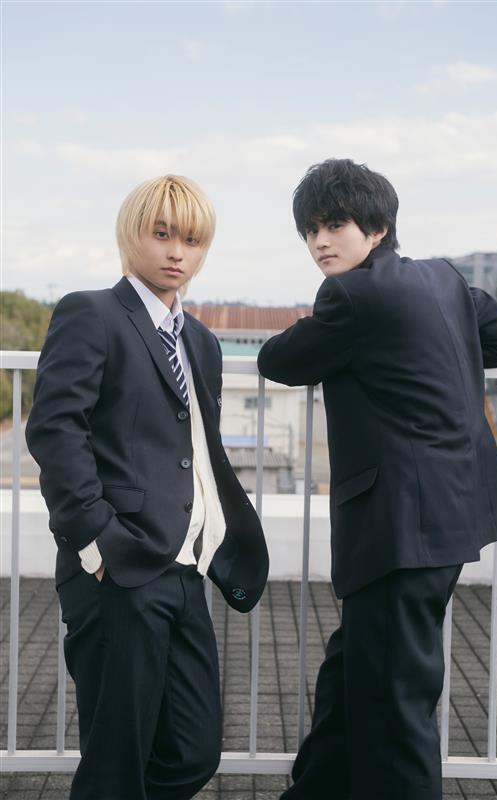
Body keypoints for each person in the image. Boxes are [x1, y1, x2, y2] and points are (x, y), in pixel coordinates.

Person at [257, 158, 497, 800]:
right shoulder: (443, 279)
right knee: (356, 669)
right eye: (310, 231)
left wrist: (351, 348)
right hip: (452, 514)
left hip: (398, 526)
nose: (320, 242)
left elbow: (279, 361)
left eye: (335, 225)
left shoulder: (352, 296)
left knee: (394, 704)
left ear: (377, 228)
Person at [26, 174, 269, 800]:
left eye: (191, 240)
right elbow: (56, 431)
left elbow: (194, 449)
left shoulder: (202, 342)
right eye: (162, 235)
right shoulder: (92, 313)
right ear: (131, 234)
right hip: (116, 566)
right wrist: (97, 543)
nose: (176, 253)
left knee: (193, 750)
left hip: (184, 569)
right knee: (117, 758)